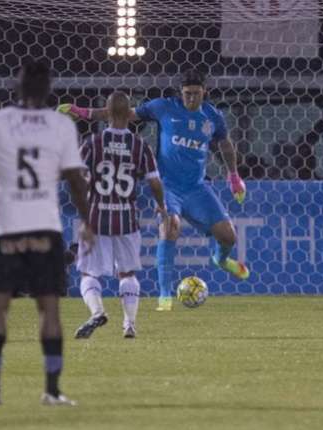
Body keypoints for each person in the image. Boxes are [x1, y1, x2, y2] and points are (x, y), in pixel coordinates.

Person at [59, 69, 248, 312]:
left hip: (197, 188)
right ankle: (165, 296)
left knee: (228, 236)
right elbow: (121, 113)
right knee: (170, 227)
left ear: (205, 92)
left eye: (196, 94)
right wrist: (83, 113)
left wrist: (234, 176)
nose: (190, 98)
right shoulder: (164, 107)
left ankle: (220, 260)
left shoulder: (213, 116)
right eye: (187, 94)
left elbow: (224, 142)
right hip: (169, 186)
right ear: (181, 92)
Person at [0, 60, 94, 408]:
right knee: (49, 312)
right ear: (48, 90)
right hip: (45, 228)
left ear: (17, 87)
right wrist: (87, 220)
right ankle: (52, 391)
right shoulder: (60, 126)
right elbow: (75, 179)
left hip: (6, 228)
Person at [73, 91, 167, 339]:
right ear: (129, 114)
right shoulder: (140, 146)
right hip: (127, 218)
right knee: (128, 273)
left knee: (89, 273)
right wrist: (162, 206)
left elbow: (79, 181)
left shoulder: (92, 142)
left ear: (107, 112)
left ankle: (97, 312)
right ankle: (129, 324)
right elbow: (155, 182)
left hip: (96, 217)